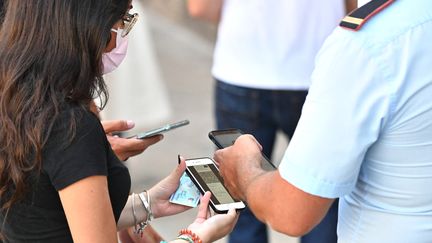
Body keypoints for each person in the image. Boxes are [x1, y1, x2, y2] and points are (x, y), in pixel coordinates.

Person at [0, 1, 238, 242]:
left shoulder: (14, 98)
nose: (122, 37)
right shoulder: (72, 129)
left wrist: (149, 203)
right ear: (89, 25)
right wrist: (195, 237)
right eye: (123, 21)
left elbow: (49, 216)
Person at [214, 0, 432, 242]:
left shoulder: (367, 45)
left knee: (252, 217)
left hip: (242, 68)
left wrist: (243, 171)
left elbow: (290, 212)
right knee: (324, 207)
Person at [187, 1, 356, 243]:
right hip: (317, 67)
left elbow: (200, 8)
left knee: (239, 202)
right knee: (320, 197)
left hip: (242, 67)